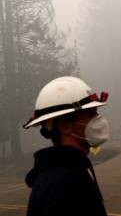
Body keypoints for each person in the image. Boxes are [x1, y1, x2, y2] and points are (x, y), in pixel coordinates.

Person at [23, 76, 110, 216]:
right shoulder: (65, 184)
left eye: (96, 113)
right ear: (65, 126)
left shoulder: (66, 172)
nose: (98, 120)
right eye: (90, 114)